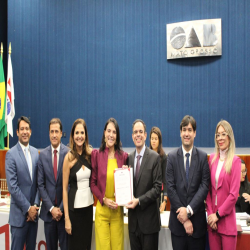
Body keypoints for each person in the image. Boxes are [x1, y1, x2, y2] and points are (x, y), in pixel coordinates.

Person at [166, 115, 210, 250]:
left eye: (190, 130)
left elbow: (204, 186)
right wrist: (184, 218)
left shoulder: (203, 157)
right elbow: (170, 188)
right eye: (184, 130)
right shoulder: (171, 157)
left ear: (195, 133)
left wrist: (189, 211)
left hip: (197, 227)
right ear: (180, 132)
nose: (186, 133)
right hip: (178, 227)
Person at [91, 117, 128, 250]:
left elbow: (128, 184)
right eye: (109, 131)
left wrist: (127, 173)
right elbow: (93, 183)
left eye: (114, 132)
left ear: (117, 136)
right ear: (104, 133)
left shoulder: (124, 156)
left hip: (117, 212)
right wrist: (104, 199)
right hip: (102, 210)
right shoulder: (96, 155)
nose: (111, 135)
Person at [126, 119, 162, 250]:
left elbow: (157, 188)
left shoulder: (155, 157)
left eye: (141, 132)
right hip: (133, 225)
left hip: (149, 225)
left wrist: (139, 201)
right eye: (135, 132)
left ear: (146, 135)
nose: (138, 135)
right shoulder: (128, 158)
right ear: (132, 136)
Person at [5, 116, 40, 250]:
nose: (24, 132)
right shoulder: (11, 154)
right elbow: (12, 187)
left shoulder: (36, 153)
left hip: (33, 218)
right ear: (17, 132)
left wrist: (35, 206)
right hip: (19, 218)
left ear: (30, 131)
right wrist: (28, 209)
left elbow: (38, 184)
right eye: (22, 129)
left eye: (27, 129)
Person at [206, 120, 241, 250]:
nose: (220, 138)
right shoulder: (213, 159)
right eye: (217, 135)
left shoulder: (235, 162)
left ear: (229, 137)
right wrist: (211, 216)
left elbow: (233, 195)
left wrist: (217, 215)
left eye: (223, 134)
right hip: (213, 225)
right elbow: (208, 190)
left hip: (226, 224)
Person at [37, 118, 69, 250]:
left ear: (61, 133)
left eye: (57, 131)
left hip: (63, 214)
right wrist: (51, 209)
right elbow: (40, 185)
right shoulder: (42, 155)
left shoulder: (68, 153)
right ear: (49, 133)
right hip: (49, 215)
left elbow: (70, 185)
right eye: (52, 132)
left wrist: (60, 209)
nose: (54, 135)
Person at [63, 119, 94, 250]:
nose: (79, 136)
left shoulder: (91, 155)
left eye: (82, 132)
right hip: (73, 212)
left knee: (86, 246)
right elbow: (64, 189)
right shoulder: (68, 158)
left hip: (88, 210)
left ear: (86, 135)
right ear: (72, 136)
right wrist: (67, 219)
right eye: (77, 133)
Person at [149, 126, 168, 212]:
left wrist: (164, 201)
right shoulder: (147, 155)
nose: (153, 141)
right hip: (148, 195)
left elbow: (165, 180)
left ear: (159, 140)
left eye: (156, 139)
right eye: (152, 138)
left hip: (158, 195)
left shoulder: (163, 157)